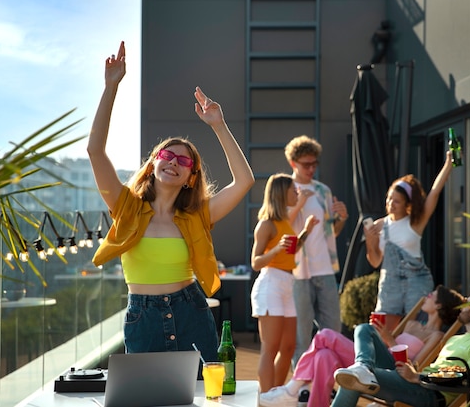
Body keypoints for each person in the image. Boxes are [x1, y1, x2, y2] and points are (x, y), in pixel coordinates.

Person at [87, 41, 254, 362]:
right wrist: (111, 87)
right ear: (153, 164)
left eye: (184, 160)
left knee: (204, 392)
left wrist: (219, 125)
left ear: (192, 176)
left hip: (190, 309)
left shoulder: (198, 214)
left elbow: (244, 181)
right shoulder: (126, 206)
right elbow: (95, 151)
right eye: (166, 155)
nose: (174, 162)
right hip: (143, 317)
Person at [260, 284, 465, 407]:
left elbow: (414, 368)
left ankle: (294, 387)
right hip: (379, 359)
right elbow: (386, 349)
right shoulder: (411, 324)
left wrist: (389, 339)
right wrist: (385, 338)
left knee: (328, 335)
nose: (426, 297)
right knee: (325, 356)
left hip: (396, 372)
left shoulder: (437, 336)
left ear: (439, 305)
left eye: (431, 296)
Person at [330, 288, 470, 407]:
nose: (463, 304)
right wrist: (415, 373)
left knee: (353, 379)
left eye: (468, 303)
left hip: (431, 394)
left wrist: (418, 378)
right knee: (364, 329)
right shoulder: (456, 339)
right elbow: (436, 370)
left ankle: (362, 369)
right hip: (418, 381)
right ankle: (363, 365)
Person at [364, 151, 454, 331]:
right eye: (389, 198)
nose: (391, 203)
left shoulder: (415, 222)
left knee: (414, 331)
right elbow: (375, 261)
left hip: (416, 283)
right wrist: (370, 242)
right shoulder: (379, 225)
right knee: (382, 332)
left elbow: (434, 193)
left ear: (407, 204)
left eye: (396, 201)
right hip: (390, 284)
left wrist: (448, 164)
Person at [284, 135, 349, 368]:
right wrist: (299, 203)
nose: (311, 169)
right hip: (297, 272)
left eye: (314, 164)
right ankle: (301, 388)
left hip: (325, 268)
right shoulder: (284, 189)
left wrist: (342, 218)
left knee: (333, 331)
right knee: (301, 335)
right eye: (306, 164)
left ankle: (329, 382)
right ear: (293, 163)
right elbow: (279, 227)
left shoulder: (323, 190)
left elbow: (333, 232)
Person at [251, 173, 319, 393]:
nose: (297, 193)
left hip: (289, 283)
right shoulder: (266, 224)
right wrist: (277, 249)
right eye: (293, 190)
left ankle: (276, 394)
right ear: (281, 193)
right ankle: (266, 398)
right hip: (270, 284)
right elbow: (255, 262)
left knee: (288, 348)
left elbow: (293, 249)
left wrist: (306, 231)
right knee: (269, 348)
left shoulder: (284, 222)